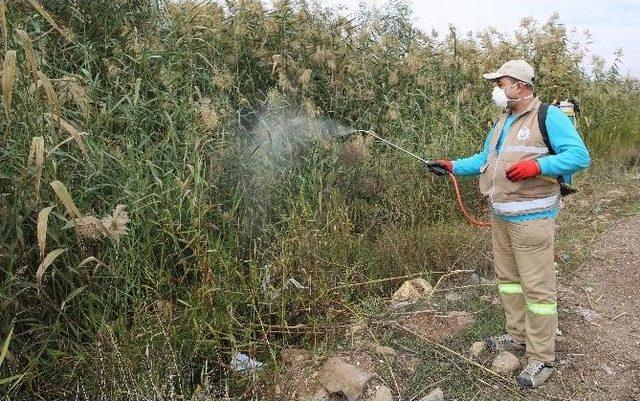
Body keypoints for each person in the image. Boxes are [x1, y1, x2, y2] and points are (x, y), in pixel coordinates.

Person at [426, 59, 590, 388]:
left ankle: (541, 357)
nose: (496, 90)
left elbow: (579, 156)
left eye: (500, 83)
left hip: (533, 219)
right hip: (501, 216)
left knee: (537, 288)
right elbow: (486, 159)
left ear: (520, 85)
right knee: (510, 281)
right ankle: (517, 336)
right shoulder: (503, 120)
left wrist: (537, 167)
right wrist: (453, 166)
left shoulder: (549, 116)